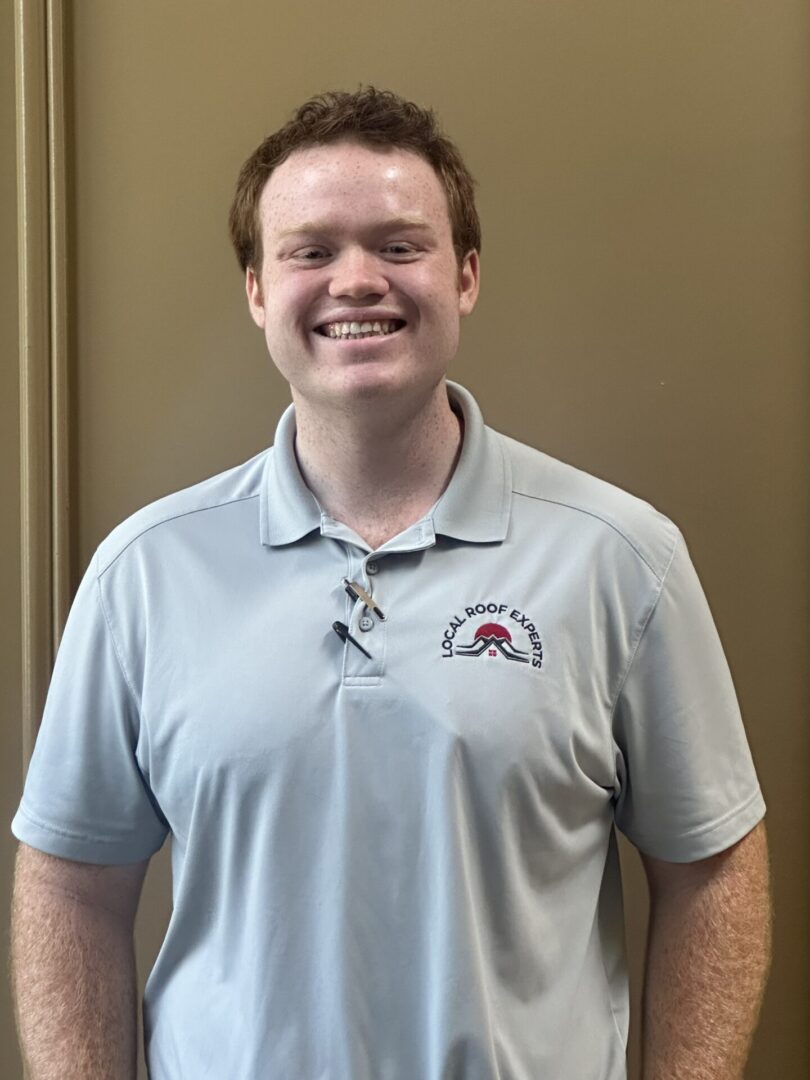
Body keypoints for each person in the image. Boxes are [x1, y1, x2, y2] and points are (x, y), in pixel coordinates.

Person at [11, 87, 771, 1080]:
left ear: (465, 276)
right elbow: (69, 883)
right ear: (255, 289)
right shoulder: (145, 572)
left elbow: (713, 867)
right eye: (311, 250)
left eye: (400, 246)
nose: (356, 280)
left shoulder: (619, 557)